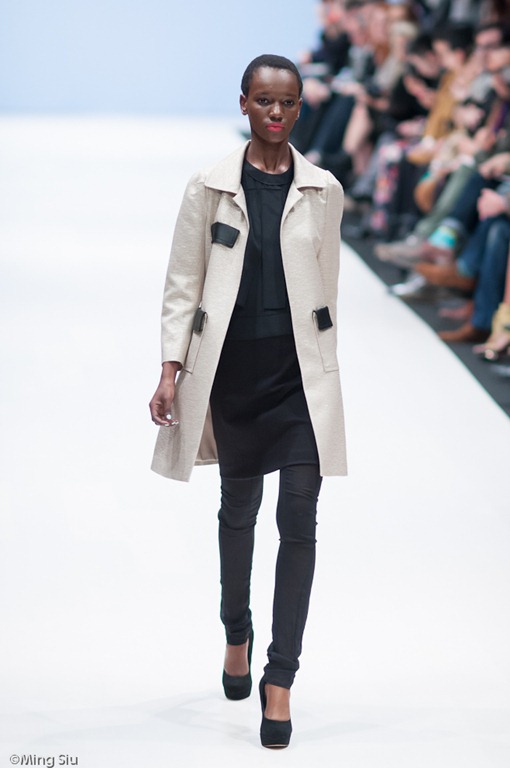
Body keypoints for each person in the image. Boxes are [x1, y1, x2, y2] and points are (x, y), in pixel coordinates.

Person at [149, 54, 347, 749]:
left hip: (298, 381)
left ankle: (280, 677)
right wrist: (171, 370)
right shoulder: (208, 187)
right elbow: (183, 282)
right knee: (239, 512)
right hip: (231, 377)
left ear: (299, 108)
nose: (276, 112)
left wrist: (324, 369)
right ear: (243, 104)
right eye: (264, 100)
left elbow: (326, 290)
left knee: (300, 520)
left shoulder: (324, 190)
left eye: (287, 102)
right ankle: (237, 630)